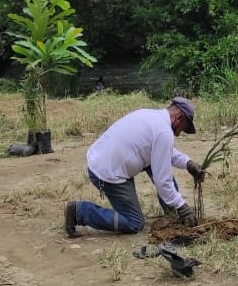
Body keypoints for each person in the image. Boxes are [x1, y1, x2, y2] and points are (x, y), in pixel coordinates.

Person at [64, 97, 206, 238]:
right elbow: (163, 180)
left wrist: (188, 163)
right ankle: (79, 211)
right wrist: (182, 206)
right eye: (183, 128)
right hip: (108, 173)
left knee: (159, 163)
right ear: (179, 118)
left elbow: (163, 151)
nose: (179, 133)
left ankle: (171, 213)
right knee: (134, 223)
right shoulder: (163, 131)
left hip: (101, 158)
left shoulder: (151, 116)